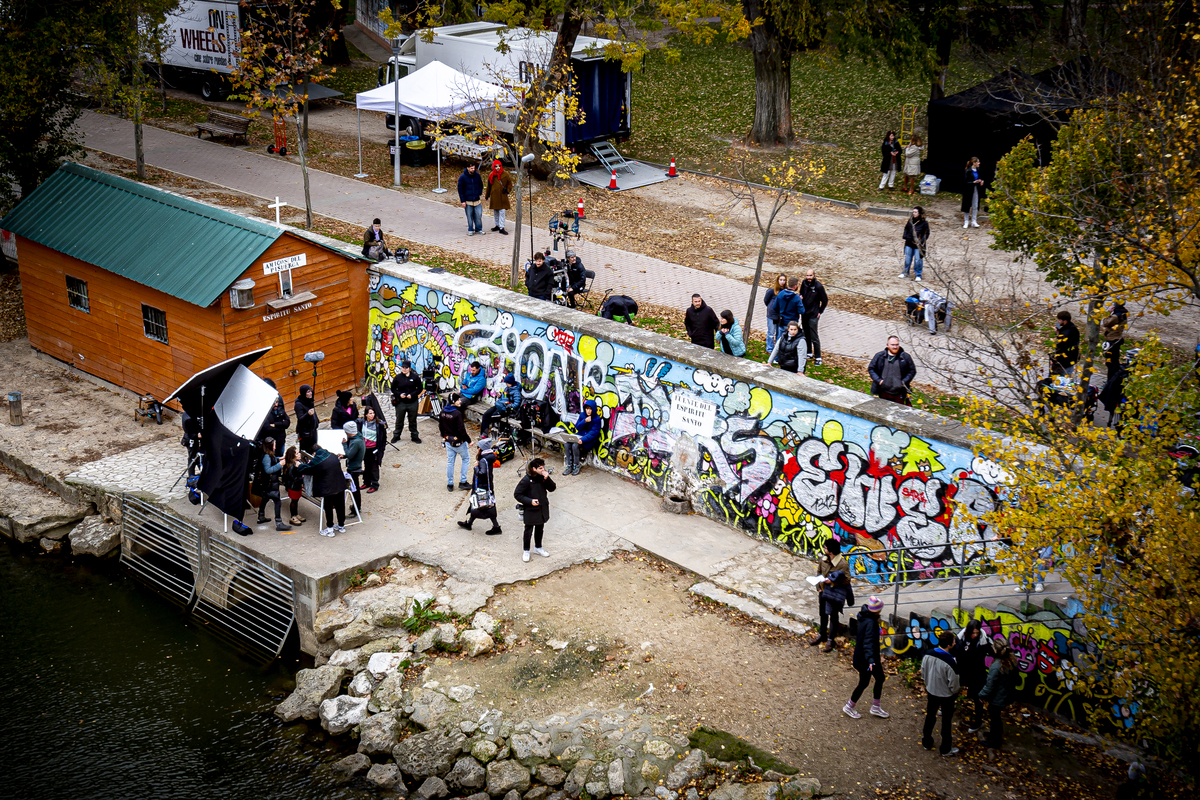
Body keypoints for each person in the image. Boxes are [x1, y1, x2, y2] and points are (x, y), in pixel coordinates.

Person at [843, 596, 889, 719]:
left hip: (863, 658)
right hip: (867, 660)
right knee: (872, 680)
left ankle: (872, 706)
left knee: (871, 680)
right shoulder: (871, 622)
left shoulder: (864, 617)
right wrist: (871, 661)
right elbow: (868, 643)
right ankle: (853, 706)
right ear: (877, 610)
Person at [921, 630, 962, 756]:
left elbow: (923, 671)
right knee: (946, 721)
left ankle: (926, 741)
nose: (955, 643)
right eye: (954, 641)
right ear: (949, 645)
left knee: (930, 716)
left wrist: (928, 683)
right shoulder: (950, 662)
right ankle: (945, 748)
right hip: (946, 695)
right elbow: (954, 683)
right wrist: (954, 692)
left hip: (932, 691)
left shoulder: (928, 654)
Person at [809, 538, 852, 651]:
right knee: (823, 614)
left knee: (833, 617)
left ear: (831, 551)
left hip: (833, 594)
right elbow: (819, 572)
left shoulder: (842, 564)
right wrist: (819, 588)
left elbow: (847, 580)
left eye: (825, 548)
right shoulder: (824, 560)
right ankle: (822, 634)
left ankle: (830, 640)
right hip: (823, 592)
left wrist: (832, 581)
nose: (824, 549)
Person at [295, 443, 347, 537]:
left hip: (328, 488)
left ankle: (330, 529)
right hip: (340, 484)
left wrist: (299, 465)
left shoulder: (318, 461)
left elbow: (307, 469)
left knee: (328, 508)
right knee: (340, 506)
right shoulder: (332, 455)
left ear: (314, 453)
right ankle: (341, 525)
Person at [978, 639, 1019, 749]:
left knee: (994, 718)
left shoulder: (996, 666)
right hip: (1006, 694)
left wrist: (981, 695)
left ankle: (994, 742)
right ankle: (995, 734)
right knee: (996, 717)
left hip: (997, 698)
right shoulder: (1012, 661)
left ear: (996, 650)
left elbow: (990, 685)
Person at [514, 457, 556, 562]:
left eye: (543, 467)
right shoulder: (526, 480)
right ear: (534, 469)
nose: (543, 470)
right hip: (531, 510)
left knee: (540, 529)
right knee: (528, 531)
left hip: (542, 508)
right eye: (540, 468)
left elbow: (552, 488)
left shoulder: (542, 477)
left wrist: (547, 478)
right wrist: (529, 501)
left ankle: (538, 547)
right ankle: (526, 550)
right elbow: (517, 494)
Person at [956, 620, 994, 733]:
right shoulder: (960, 638)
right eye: (973, 633)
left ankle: (978, 721)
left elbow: (993, 652)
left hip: (977, 673)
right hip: (962, 671)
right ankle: (946, 708)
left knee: (978, 698)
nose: (975, 635)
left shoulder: (984, 640)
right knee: (952, 689)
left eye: (977, 632)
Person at [458, 440, 502, 536]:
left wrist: (476, 467)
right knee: (487, 505)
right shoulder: (489, 457)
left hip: (481, 486)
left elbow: (482, 473)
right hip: (488, 485)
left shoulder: (483, 460)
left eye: (478, 447)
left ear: (480, 449)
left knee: (477, 504)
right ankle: (471, 523)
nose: (477, 449)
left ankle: (495, 526)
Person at [253, 438, 291, 532]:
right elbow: (268, 470)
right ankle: (278, 523)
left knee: (265, 498)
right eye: (273, 445)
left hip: (268, 484)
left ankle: (261, 517)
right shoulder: (266, 456)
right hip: (270, 484)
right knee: (277, 502)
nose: (275, 447)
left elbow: (271, 460)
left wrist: (278, 459)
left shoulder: (267, 454)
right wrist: (280, 464)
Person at [869, 336, 917, 404]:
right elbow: (871, 369)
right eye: (892, 345)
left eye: (897, 344)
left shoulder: (905, 357)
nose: (895, 347)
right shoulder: (879, 356)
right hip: (883, 391)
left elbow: (912, 371)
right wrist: (879, 381)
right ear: (887, 345)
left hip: (899, 392)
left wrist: (903, 382)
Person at [439, 393, 472, 491]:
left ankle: (450, 484)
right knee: (465, 459)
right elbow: (461, 430)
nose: (460, 401)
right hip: (459, 442)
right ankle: (463, 481)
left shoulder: (443, 412)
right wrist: (469, 440)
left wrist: (444, 437)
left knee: (450, 462)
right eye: (458, 400)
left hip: (448, 441)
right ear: (454, 402)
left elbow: (440, 426)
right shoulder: (457, 414)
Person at [564, 399, 601, 475]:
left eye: (590, 409)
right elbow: (577, 427)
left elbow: (593, 433)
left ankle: (576, 465)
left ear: (593, 409)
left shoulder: (597, 419)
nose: (588, 411)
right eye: (587, 409)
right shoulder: (582, 415)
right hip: (579, 435)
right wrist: (584, 421)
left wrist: (583, 439)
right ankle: (569, 465)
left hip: (590, 440)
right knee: (567, 444)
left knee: (575, 445)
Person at [390, 359, 423, 443]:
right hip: (401, 402)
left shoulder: (415, 377)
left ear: (409, 368)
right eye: (403, 367)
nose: (404, 369)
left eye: (406, 368)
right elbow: (393, 389)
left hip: (412, 402)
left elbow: (420, 388)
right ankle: (396, 436)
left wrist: (412, 395)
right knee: (399, 420)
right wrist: (399, 394)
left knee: (412, 420)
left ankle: (414, 436)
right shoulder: (398, 378)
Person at [799, 270, 828, 365]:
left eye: (810, 275)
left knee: (814, 336)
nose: (809, 277)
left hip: (813, 314)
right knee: (806, 334)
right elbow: (801, 293)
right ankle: (809, 352)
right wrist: (800, 297)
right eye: (807, 275)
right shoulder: (804, 283)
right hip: (804, 313)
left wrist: (820, 311)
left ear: (814, 275)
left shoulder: (818, 286)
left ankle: (818, 357)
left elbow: (825, 300)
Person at [481, 373, 522, 438]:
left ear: (510, 382)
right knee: (486, 414)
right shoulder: (507, 389)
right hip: (499, 405)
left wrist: (508, 406)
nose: (506, 384)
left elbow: (516, 404)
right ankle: (484, 433)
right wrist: (500, 396)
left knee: (492, 417)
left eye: (507, 382)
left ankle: (496, 433)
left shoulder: (516, 392)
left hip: (505, 409)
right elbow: (504, 398)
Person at [359, 405, 387, 493]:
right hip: (365, 448)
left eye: (373, 413)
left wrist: (381, 449)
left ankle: (375, 484)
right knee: (366, 465)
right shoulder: (361, 423)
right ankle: (366, 482)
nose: (372, 415)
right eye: (370, 413)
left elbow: (383, 438)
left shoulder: (379, 424)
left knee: (374, 467)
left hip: (374, 449)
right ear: (366, 414)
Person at [900, 206, 930, 282]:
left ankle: (918, 274)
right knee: (907, 258)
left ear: (919, 213)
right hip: (909, 243)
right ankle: (905, 272)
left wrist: (921, 241)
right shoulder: (910, 221)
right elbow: (906, 228)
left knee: (918, 260)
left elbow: (927, 233)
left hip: (918, 245)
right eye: (913, 212)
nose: (914, 213)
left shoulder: (924, 223)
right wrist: (905, 236)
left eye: (915, 212)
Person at [342, 421, 365, 513]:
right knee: (355, 488)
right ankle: (356, 506)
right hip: (356, 466)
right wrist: (343, 456)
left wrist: (344, 444)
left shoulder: (356, 442)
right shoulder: (358, 436)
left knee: (354, 489)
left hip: (354, 468)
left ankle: (356, 509)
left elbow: (350, 454)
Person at [485, 158, 513, 234]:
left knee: (502, 211)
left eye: (499, 166)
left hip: (502, 196)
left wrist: (507, 190)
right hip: (494, 196)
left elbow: (510, 184)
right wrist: (487, 195)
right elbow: (489, 186)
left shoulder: (505, 174)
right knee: (496, 211)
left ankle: (501, 227)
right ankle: (497, 225)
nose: (498, 167)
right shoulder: (491, 175)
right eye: (496, 166)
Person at [457, 162, 485, 236]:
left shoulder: (477, 176)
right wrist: (463, 201)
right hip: (468, 201)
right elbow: (460, 189)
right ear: (468, 168)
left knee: (478, 215)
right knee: (469, 216)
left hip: (477, 200)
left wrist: (479, 192)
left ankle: (478, 229)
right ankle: (470, 229)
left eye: (474, 168)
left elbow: (481, 185)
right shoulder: (462, 177)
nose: (473, 169)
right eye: (471, 168)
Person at [281, 445, 305, 527]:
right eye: (297, 453)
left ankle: (296, 514)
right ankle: (293, 516)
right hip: (293, 486)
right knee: (294, 501)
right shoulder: (292, 466)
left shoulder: (297, 463)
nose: (299, 454)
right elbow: (292, 477)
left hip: (296, 486)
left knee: (296, 500)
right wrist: (301, 477)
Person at [763, 273, 788, 353]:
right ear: (777, 281)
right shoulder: (772, 291)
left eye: (784, 280)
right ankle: (770, 348)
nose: (782, 282)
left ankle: (777, 348)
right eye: (781, 280)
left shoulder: (786, 291)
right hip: (772, 315)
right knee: (771, 333)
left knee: (779, 333)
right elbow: (766, 300)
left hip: (780, 315)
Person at [1051, 310, 1080, 377]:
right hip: (1071, 358)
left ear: (1065, 321)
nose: (1058, 321)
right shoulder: (1071, 328)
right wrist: (1058, 333)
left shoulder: (1066, 333)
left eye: (1059, 320)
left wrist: (1053, 359)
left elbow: (1061, 346)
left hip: (1065, 360)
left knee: (1063, 379)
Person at [1102, 303, 1127, 374]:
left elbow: (1105, 323)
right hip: (1116, 339)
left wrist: (1108, 313)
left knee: (1110, 363)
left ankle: (1110, 381)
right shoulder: (1123, 313)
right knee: (1114, 361)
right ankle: (1111, 380)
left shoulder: (1116, 316)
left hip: (1112, 340)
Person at [962, 157, 986, 228]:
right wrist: (973, 182)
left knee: (975, 205)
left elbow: (981, 177)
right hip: (968, 190)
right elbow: (965, 181)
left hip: (976, 189)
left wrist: (981, 181)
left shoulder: (978, 170)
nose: (979, 163)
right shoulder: (968, 171)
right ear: (974, 163)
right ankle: (966, 221)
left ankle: (974, 221)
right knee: (967, 205)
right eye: (978, 162)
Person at [294, 384, 318, 454]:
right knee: (306, 451)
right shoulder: (299, 404)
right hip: (305, 433)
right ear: (304, 393)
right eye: (308, 392)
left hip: (312, 430)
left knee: (314, 449)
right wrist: (308, 414)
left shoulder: (309, 401)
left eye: (311, 391)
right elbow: (300, 418)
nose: (310, 393)